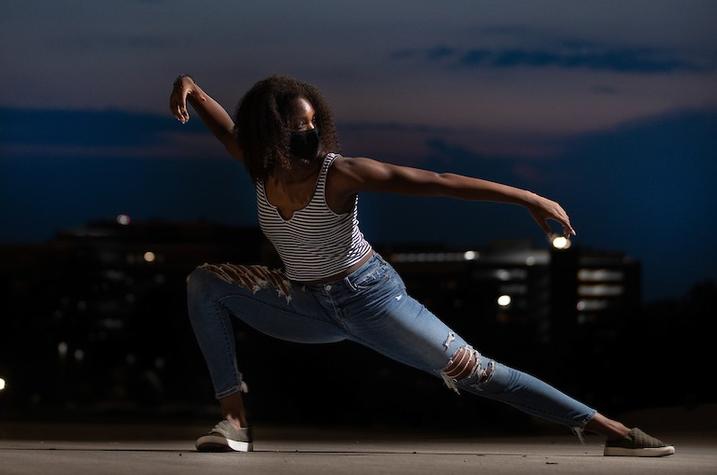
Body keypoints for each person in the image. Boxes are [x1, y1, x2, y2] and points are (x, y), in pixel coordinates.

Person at [168, 73, 675, 457]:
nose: (311, 133)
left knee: (481, 373)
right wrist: (190, 87)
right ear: (270, 134)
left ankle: (614, 431)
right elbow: (227, 127)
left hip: (370, 299)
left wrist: (527, 198)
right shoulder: (259, 167)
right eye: (297, 127)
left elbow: (438, 180)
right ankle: (234, 424)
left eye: (313, 123)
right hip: (305, 304)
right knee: (205, 284)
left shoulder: (340, 173)